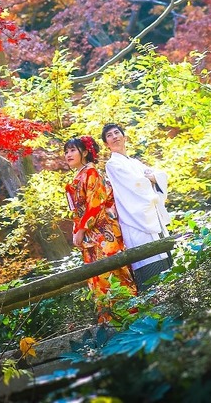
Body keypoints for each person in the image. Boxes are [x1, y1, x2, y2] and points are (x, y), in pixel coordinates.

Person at [63, 135, 137, 322]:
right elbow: (77, 210)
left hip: (104, 233)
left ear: (85, 152)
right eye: (66, 152)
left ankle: (130, 320)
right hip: (90, 236)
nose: (68, 155)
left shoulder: (92, 173)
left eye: (72, 150)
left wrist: (80, 230)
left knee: (114, 276)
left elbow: (96, 204)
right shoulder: (79, 176)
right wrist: (77, 230)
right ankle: (110, 323)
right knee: (98, 280)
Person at [101, 123, 171, 291]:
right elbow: (136, 184)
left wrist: (154, 177)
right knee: (152, 277)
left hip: (154, 220)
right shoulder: (113, 165)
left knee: (169, 276)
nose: (115, 136)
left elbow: (159, 175)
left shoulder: (135, 162)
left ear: (125, 137)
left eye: (117, 133)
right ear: (106, 144)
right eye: (109, 135)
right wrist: (151, 178)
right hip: (136, 222)